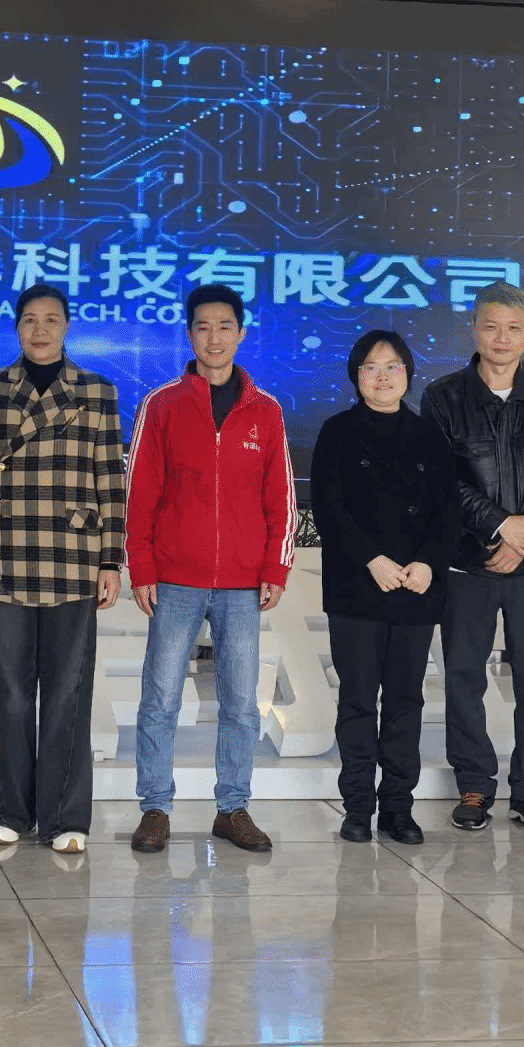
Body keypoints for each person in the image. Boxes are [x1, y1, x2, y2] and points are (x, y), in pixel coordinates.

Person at [0, 285, 126, 854]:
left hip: (74, 553)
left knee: (67, 692)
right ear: (16, 328)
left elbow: (110, 480)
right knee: (10, 691)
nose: (41, 329)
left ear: (68, 326)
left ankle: (65, 816)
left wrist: (111, 558)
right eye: (29, 319)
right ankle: (7, 808)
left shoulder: (96, 390)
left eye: (52, 319)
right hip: (5, 552)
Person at [124, 282, 296, 853]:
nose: (214, 337)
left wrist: (276, 567)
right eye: (203, 327)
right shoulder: (162, 405)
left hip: (243, 584)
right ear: (189, 334)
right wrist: (141, 566)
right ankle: (155, 807)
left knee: (242, 704)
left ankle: (233, 808)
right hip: (174, 578)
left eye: (225, 327)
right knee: (160, 700)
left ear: (241, 334)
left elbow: (281, 497)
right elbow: (139, 492)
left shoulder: (265, 411)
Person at [422, 281, 524, 836]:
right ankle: (474, 785)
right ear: (473, 329)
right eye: (490, 327)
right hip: (468, 561)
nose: (501, 338)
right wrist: (498, 526)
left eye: (513, 328)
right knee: (464, 677)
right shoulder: (443, 397)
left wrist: (521, 537)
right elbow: (441, 479)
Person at [310, 326, 457, 845]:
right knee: (356, 700)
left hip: (415, 588)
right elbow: (329, 508)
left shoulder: (430, 435)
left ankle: (399, 807)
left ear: (408, 374)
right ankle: (357, 807)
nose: (382, 377)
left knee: (404, 702)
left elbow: (447, 511)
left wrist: (428, 564)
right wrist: (372, 560)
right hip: (356, 587)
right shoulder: (336, 431)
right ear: (356, 376)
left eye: (392, 367)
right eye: (370, 367)